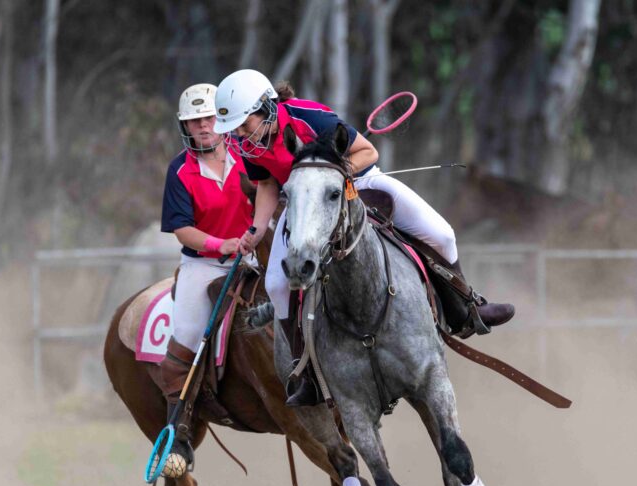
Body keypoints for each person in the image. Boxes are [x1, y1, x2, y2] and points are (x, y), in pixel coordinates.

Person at [211, 68, 514, 406]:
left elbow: (368, 152)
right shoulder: (249, 144)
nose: (239, 134)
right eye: (234, 128)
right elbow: (267, 184)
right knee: (278, 285)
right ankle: (306, 371)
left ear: (265, 107)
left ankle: (466, 310)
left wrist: (334, 176)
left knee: (442, 234)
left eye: (243, 123)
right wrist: (255, 230)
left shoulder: (308, 117)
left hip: (362, 184)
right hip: (304, 206)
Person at [158, 83, 254, 440]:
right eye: (194, 120)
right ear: (185, 126)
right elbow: (182, 230)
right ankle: (177, 430)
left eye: (209, 117)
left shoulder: (248, 154)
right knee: (185, 334)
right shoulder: (179, 171)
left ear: (223, 118)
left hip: (255, 256)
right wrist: (223, 244)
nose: (203, 125)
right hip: (205, 264)